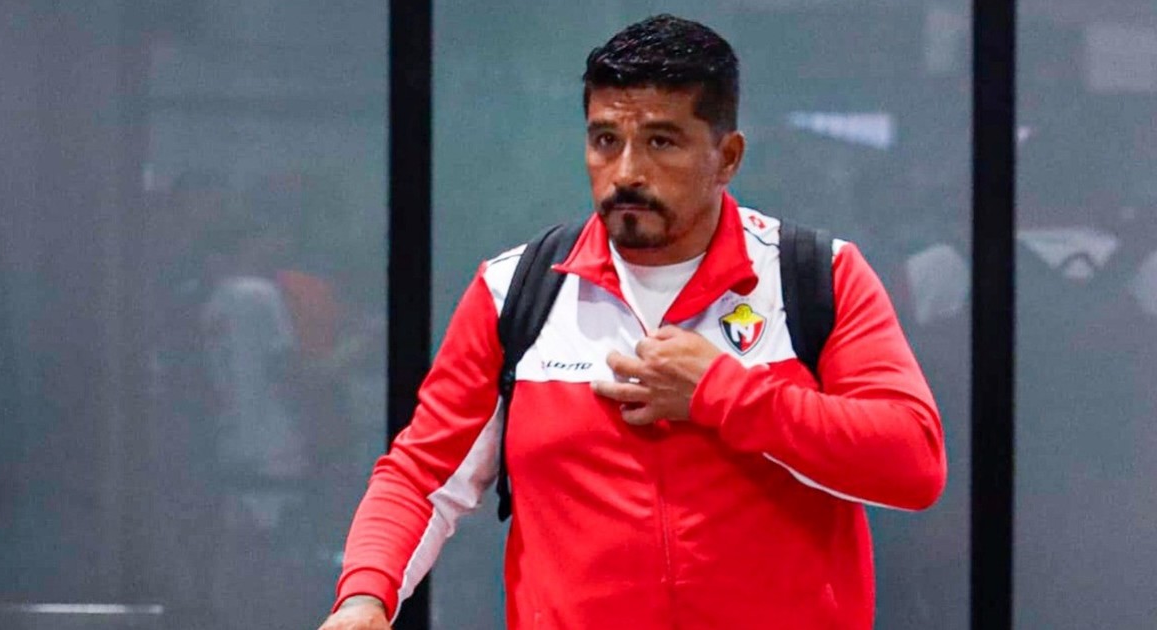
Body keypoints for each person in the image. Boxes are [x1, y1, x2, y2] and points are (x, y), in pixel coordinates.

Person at [320, 14, 945, 630]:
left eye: (661, 142)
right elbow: (422, 476)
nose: (625, 173)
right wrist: (365, 598)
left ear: (727, 157)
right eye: (605, 141)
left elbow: (912, 464)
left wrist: (722, 394)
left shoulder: (815, 276)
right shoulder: (515, 290)